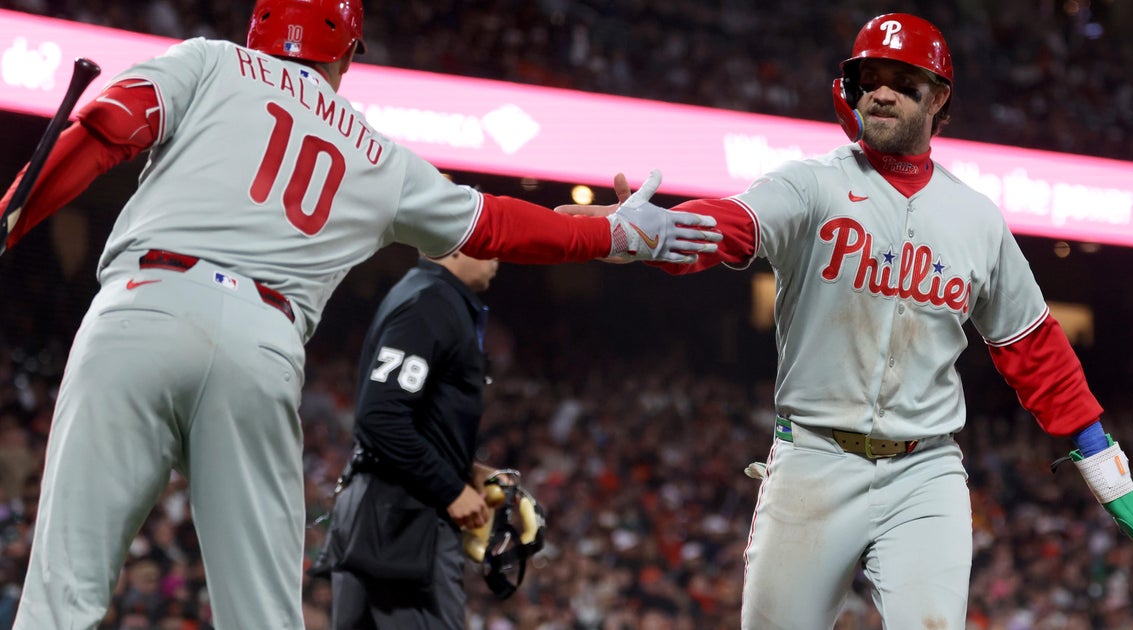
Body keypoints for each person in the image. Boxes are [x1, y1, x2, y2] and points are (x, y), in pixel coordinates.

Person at [0, 0, 722, 627]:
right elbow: (495, 224)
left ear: (259, 27)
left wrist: (10, 216)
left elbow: (109, 126)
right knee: (262, 616)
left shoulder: (210, 61)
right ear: (346, 55)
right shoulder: (376, 152)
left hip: (144, 306)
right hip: (261, 341)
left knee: (63, 593)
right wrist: (612, 233)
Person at [561, 13, 1133, 629]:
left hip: (925, 469)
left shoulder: (976, 219)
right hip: (813, 458)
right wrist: (652, 233)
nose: (881, 92)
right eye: (869, 78)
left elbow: (1033, 345)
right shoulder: (810, 184)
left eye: (904, 82)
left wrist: (1103, 464)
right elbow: (735, 224)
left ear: (938, 99)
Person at [308, 251, 505, 629]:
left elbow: (407, 419)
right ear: (455, 244)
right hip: (404, 528)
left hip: (382, 519)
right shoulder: (430, 302)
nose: (496, 256)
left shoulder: (424, 293)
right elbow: (381, 418)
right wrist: (451, 488)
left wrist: (464, 469)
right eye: (485, 242)